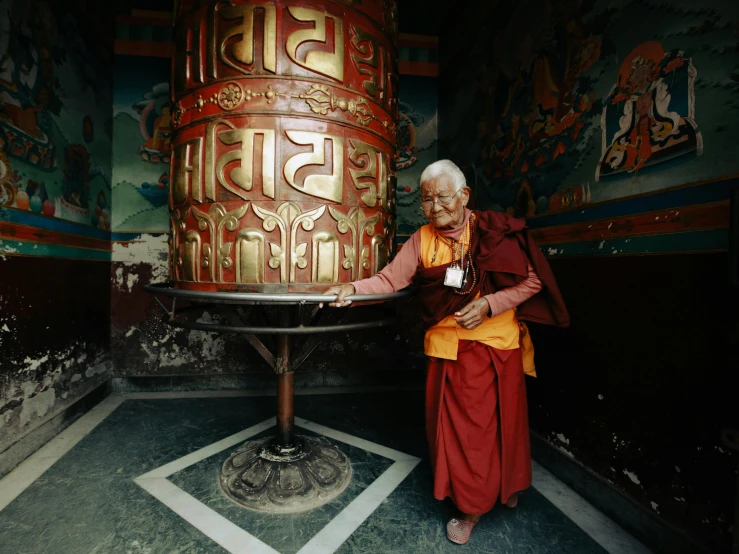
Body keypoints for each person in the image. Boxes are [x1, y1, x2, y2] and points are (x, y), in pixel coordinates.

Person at [322, 159, 569, 545]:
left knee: (501, 425)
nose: (435, 207)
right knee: (466, 435)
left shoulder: (493, 230)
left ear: (465, 195)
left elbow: (535, 279)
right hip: (449, 350)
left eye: (443, 197)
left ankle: (495, 492)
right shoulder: (421, 239)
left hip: (496, 346)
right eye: (427, 200)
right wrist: (352, 290)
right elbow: (389, 279)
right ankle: (473, 502)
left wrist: (491, 303)